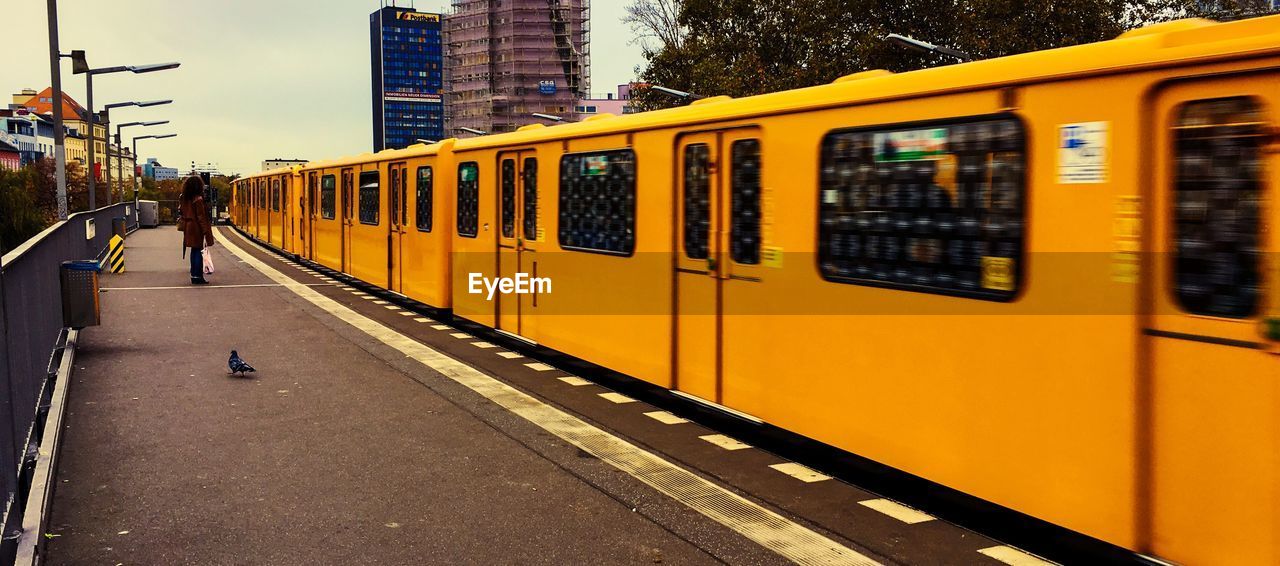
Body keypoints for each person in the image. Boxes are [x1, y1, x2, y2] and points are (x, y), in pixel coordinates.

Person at [178, 176, 215, 285]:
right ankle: (198, 276)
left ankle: (194, 275)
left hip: (188, 226)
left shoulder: (184, 198)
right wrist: (205, 231)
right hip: (196, 227)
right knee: (199, 251)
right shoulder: (198, 199)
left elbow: (181, 211)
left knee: (194, 251)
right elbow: (201, 217)